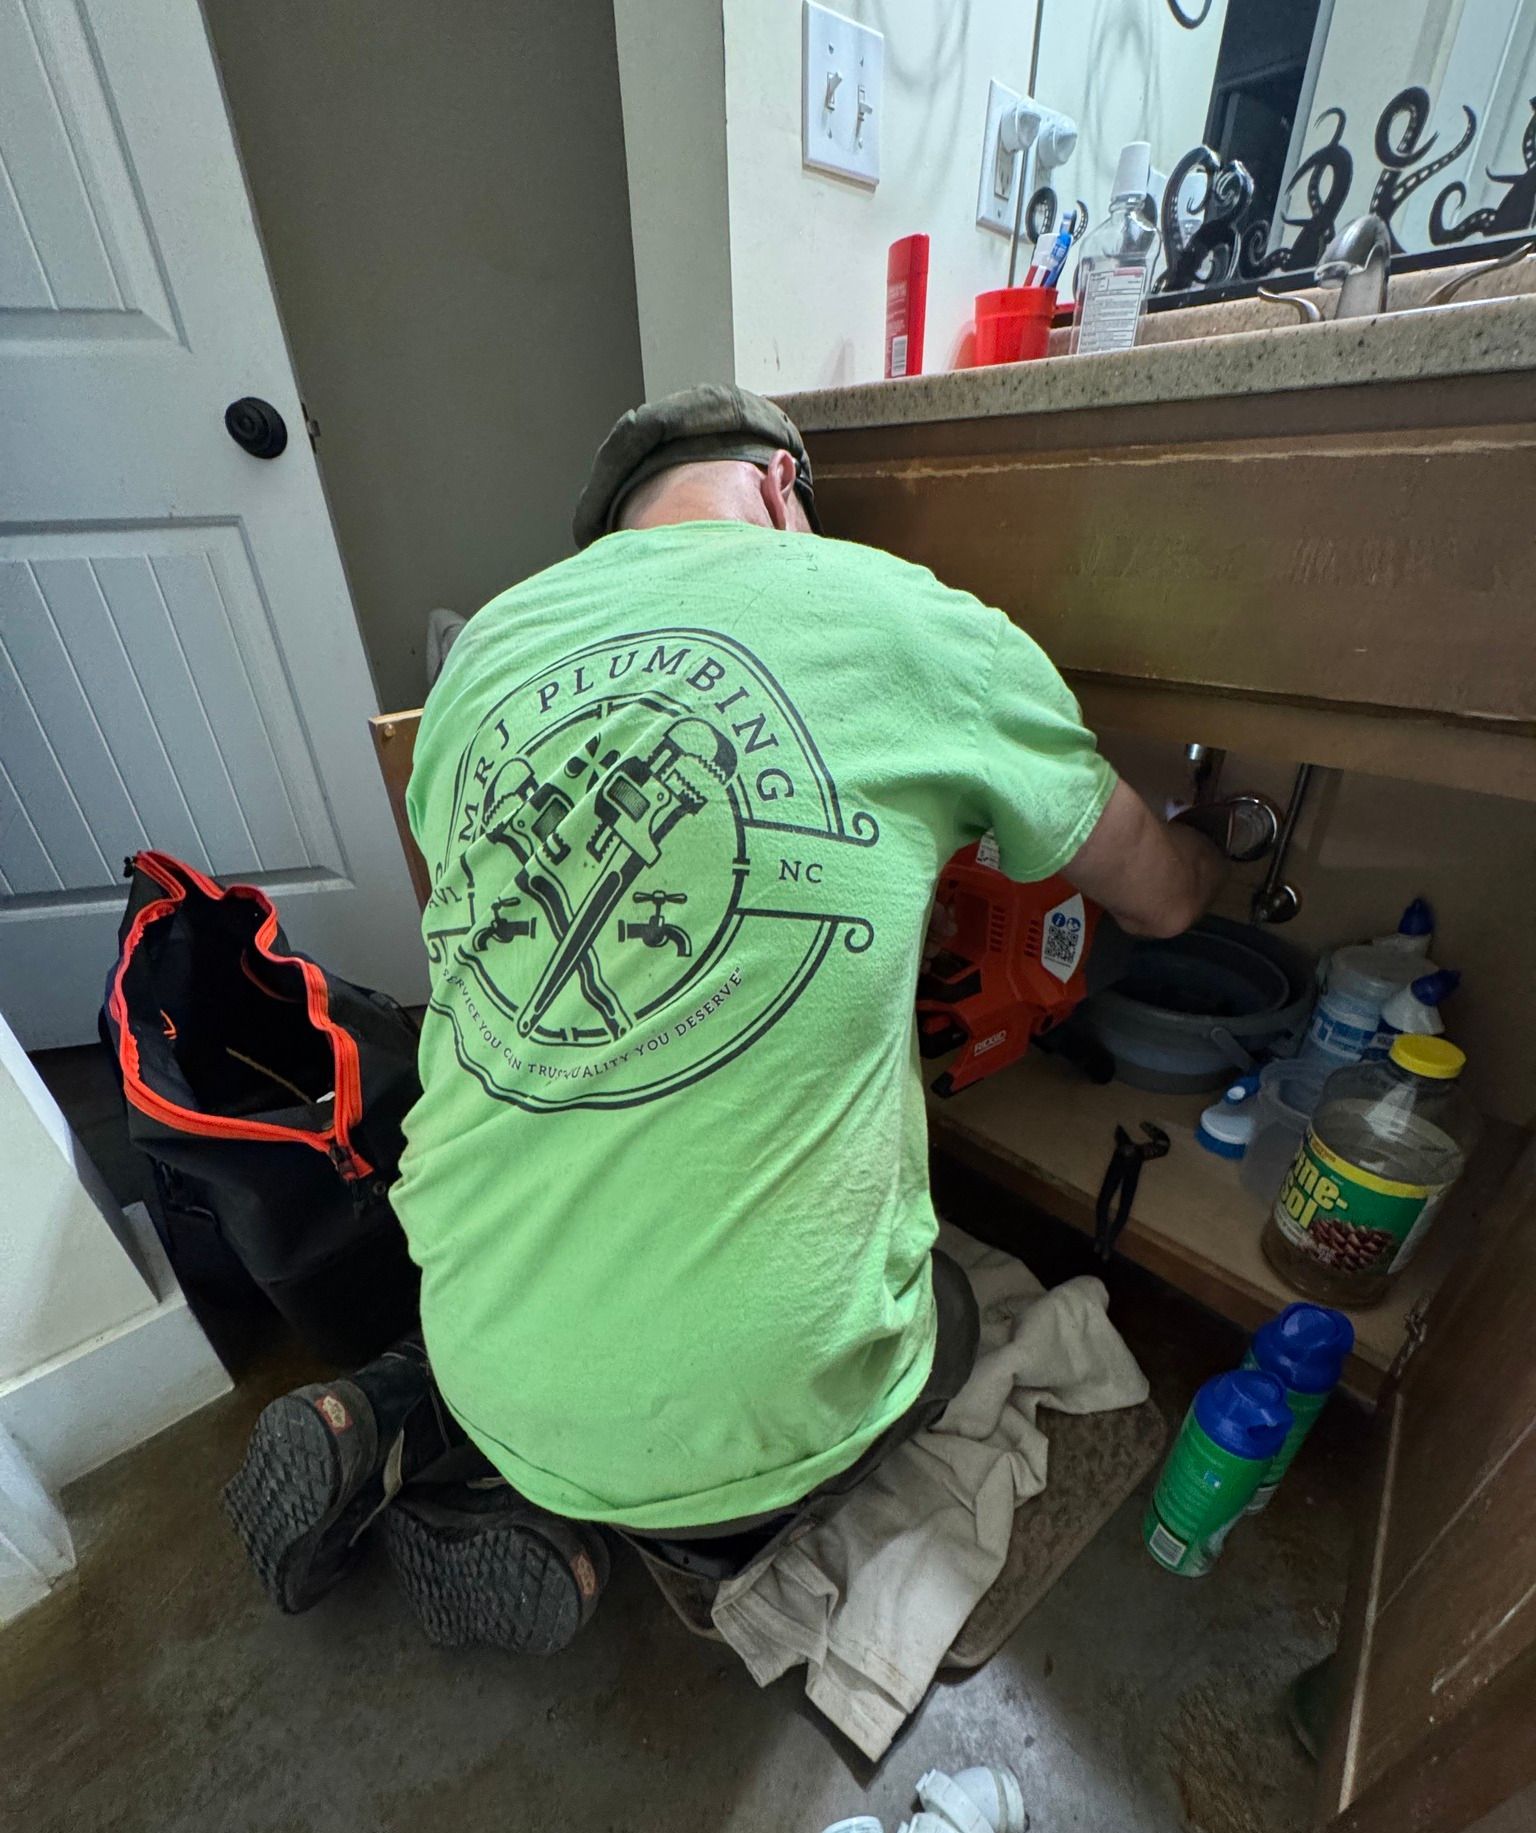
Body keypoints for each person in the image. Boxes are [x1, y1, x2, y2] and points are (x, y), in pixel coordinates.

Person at [225, 385, 1235, 1652]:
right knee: (951, 1321)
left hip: (464, 1309)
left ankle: (421, 1421)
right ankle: (654, 1536)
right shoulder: (912, 616)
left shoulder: (482, 657)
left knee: (581, 1203)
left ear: (614, 540)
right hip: (766, 1404)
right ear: (775, 481)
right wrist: (1205, 861)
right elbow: (1155, 898)